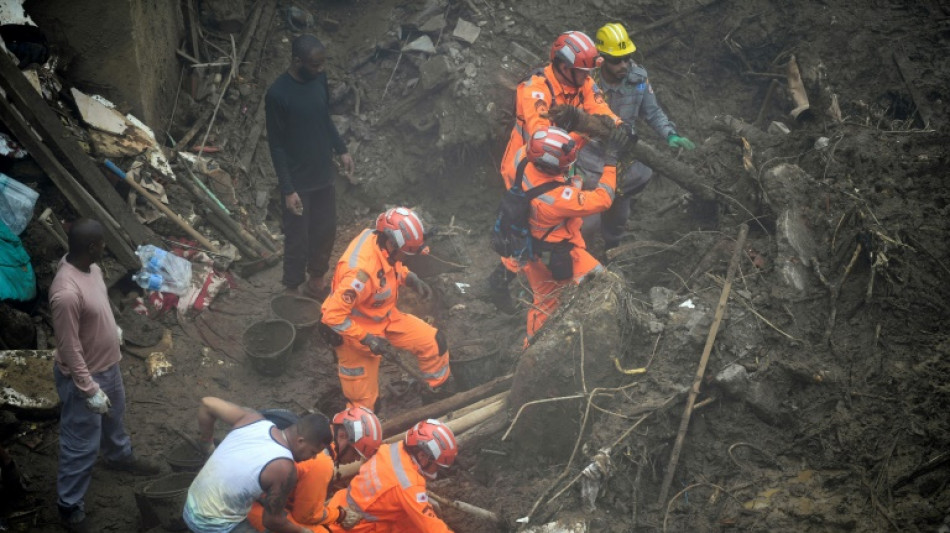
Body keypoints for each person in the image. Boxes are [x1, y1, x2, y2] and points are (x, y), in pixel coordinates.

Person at [489, 30, 624, 311]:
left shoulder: (581, 80)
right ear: (564, 66)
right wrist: (583, 131)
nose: (588, 77)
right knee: (527, 226)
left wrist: (616, 126)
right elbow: (542, 136)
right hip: (526, 167)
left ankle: (542, 268)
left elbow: (599, 108)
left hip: (557, 164)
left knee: (549, 224)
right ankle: (506, 279)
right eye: (582, 71)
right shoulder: (535, 90)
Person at [49, 218, 159, 531]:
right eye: (102, 242)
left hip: (108, 365)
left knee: (114, 418)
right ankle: (69, 505)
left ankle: (118, 457)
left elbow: (97, 306)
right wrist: (88, 388)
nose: (105, 246)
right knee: (81, 444)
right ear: (91, 247)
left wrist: (111, 330)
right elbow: (69, 347)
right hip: (84, 378)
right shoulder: (65, 292)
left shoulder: (92, 269)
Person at [320, 207, 451, 411]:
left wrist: (408, 277)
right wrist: (367, 338)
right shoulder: (359, 274)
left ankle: (436, 394)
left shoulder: (382, 244)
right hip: (355, 333)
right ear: (391, 242)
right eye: (405, 254)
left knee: (434, 342)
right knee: (365, 406)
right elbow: (332, 315)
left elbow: (387, 268)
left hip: (385, 316)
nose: (406, 258)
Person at [591, 22, 696, 250]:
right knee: (587, 221)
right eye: (616, 60)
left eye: (627, 58)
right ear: (602, 57)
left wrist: (670, 134)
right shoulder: (588, 80)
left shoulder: (637, 79)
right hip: (591, 154)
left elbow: (652, 112)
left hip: (623, 155)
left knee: (618, 218)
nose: (623, 65)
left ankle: (612, 252)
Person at [266, 34, 355, 299]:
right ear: (297, 61)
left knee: (325, 230)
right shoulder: (277, 95)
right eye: (315, 65)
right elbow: (276, 146)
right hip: (298, 181)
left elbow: (323, 117)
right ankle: (292, 290)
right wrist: (288, 189)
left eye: (322, 64)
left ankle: (316, 282)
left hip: (323, 174)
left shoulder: (319, 79)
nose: (320, 69)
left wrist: (341, 149)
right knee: (297, 238)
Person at [518, 126, 622, 340]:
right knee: (605, 284)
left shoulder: (523, 162)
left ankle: (530, 347)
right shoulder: (558, 199)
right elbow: (604, 199)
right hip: (562, 254)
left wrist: (586, 131)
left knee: (544, 302)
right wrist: (611, 162)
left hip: (531, 250)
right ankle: (601, 334)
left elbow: (557, 150)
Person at [183, 397, 333, 533]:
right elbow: (272, 522)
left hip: (190, 506)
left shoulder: (252, 419)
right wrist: (303, 531)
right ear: (300, 441)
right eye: (313, 452)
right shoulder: (284, 468)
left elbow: (207, 403)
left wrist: (207, 444)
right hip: (212, 525)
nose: (313, 457)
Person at [245, 406, 382, 532]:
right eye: (355, 453)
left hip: (254, 494)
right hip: (256, 509)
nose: (355, 460)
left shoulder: (305, 431)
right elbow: (306, 516)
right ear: (343, 436)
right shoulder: (321, 463)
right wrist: (340, 515)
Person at [325, 419, 458, 532]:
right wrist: (424, 503)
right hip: (354, 528)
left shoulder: (391, 449)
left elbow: (414, 497)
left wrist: (423, 500)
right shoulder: (409, 485)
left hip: (340, 505)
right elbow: (433, 527)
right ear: (422, 456)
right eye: (437, 466)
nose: (436, 471)